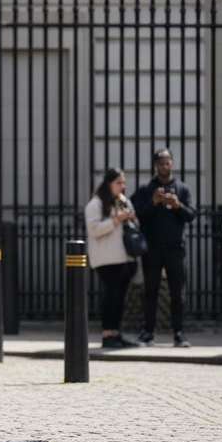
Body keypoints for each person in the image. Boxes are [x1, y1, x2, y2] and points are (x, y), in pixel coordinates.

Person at [131, 148, 196, 348]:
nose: (164, 167)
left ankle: (179, 333)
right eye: (160, 163)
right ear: (155, 165)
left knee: (177, 293)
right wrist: (153, 202)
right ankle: (148, 332)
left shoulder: (182, 189)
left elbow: (191, 215)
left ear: (172, 164)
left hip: (175, 248)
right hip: (152, 248)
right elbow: (137, 215)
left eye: (167, 163)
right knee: (151, 291)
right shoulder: (146, 189)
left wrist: (177, 206)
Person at [85, 168, 140, 349]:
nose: (122, 187)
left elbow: (135, 223)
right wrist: (116, 220)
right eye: (119, 183)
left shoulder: (123, 201)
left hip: (124, 257)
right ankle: (107, 333)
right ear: (109, 183)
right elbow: (94, 229)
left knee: (119, 298)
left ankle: (115, 332)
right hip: (106, 259)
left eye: (123, 183)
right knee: (111, 296)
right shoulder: (96, 204)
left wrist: (130, 217)